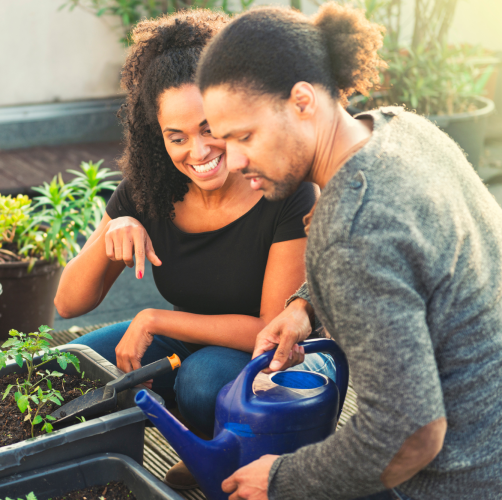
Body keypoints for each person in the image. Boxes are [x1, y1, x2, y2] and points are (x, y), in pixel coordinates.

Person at [196, 2, 502, 500]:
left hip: (459, 481)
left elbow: (412, 435)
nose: (231, 161)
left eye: (244, 136)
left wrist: (282, 479)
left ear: (302, 102)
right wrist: (304, 304)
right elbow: (406, 258)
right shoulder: (400, 130)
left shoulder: (350, 231)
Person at [53, 10, 336, 489]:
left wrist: (154, 319)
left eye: (210, 128)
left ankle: (228, 452)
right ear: (155, 135)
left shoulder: (283, 188)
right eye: (176, 136)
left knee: (203, 384)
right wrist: (114, 228)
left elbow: (269, 332)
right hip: (197, 339)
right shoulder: (149, 188)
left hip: (285, 358)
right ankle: (184, 441)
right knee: (69, 365)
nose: (197, 151)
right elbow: (67, 303)